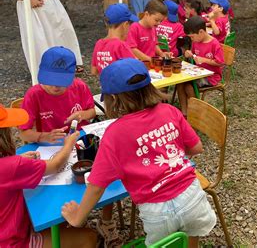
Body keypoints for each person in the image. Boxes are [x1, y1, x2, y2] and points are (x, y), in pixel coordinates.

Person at [61, 58, 217, 248]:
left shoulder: (114, 133)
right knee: (191, 236)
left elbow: (96, 186)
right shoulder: (170, 111)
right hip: (192, 195)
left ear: (114, 99)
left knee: (165, 244)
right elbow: (196, 148)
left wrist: (77, 218)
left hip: (157, 210)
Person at [0, 104, 97, 247]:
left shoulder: (11, 165)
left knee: (62, 223)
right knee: (89, 237)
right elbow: (56, 165)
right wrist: (68, 145)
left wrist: (18, 161)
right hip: (14, 242)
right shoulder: (11, 167)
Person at [19, 46, 96, 144]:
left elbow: (92, 112)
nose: (55, 86)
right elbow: (23, 133)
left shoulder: (79, 86)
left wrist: (82, 115)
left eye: (61, 81)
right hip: (51, 143)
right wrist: (44, 136)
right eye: (50, 80)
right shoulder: (34, 95)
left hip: (79, 138)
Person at [177, 16, 224, 116]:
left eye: (192, 37)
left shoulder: (214, 43)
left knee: (189, 87)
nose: (191, 39)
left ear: (201, 32)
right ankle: (184, 113)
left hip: (212, 76)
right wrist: (188, 54)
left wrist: (204, 60)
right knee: (180, 83)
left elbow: (220, 62)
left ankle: (195, 113)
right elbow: (192, 55)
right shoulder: (196, 42)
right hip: (197, 72)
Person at [91, 3, 137, 75]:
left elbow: (94, 71)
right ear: (125, 25)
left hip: (106, 85)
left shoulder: (99, 43)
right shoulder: (121, 45)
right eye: (130, 25)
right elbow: (135, 69)